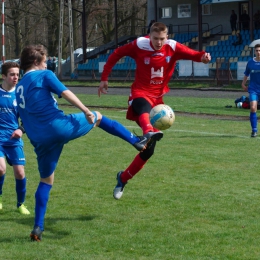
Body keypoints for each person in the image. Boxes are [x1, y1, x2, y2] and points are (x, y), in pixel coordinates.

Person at [15, 44, 160, 241]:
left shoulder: (19, 86)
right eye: (45, 60)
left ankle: (37, 227)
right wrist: (86, 110)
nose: (47, 64)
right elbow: (66, 93)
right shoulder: (45, 75)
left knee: (46, 181)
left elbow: (23, 115)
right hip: (57, 127)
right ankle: (136, 140)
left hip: (39, 139)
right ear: (35, 62)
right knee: (98, 117)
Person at [98, 22, 211, 200]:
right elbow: (116, 54)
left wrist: (204, 57)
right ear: (149, 36)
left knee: (148, 152)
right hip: (140, 93)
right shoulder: (139, 45)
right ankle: (148, 132)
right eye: (155, 38)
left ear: (167, 37)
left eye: (162, 39)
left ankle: (123, 178)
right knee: (142, 105)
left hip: (158, 99)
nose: (159, 42)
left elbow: (195, 55)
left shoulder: (172, 47)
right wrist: (104, 78)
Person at [0, 62, 30, 215]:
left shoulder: (20, 95)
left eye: (18, 74)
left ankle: (21, 204)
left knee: (20, 173)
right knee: (0, 168)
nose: (16, 77)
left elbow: (27, 118)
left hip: (13, 139)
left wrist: (20, 129)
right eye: (12, 74)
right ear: (3, 76)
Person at [241, 44, 260, 137]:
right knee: (253, 108)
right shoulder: (250, 62)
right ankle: (254, 130)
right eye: (257, 50)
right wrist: (243, 83)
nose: (258, 52)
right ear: (255, 51)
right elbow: (246, 73)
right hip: (253, 89)